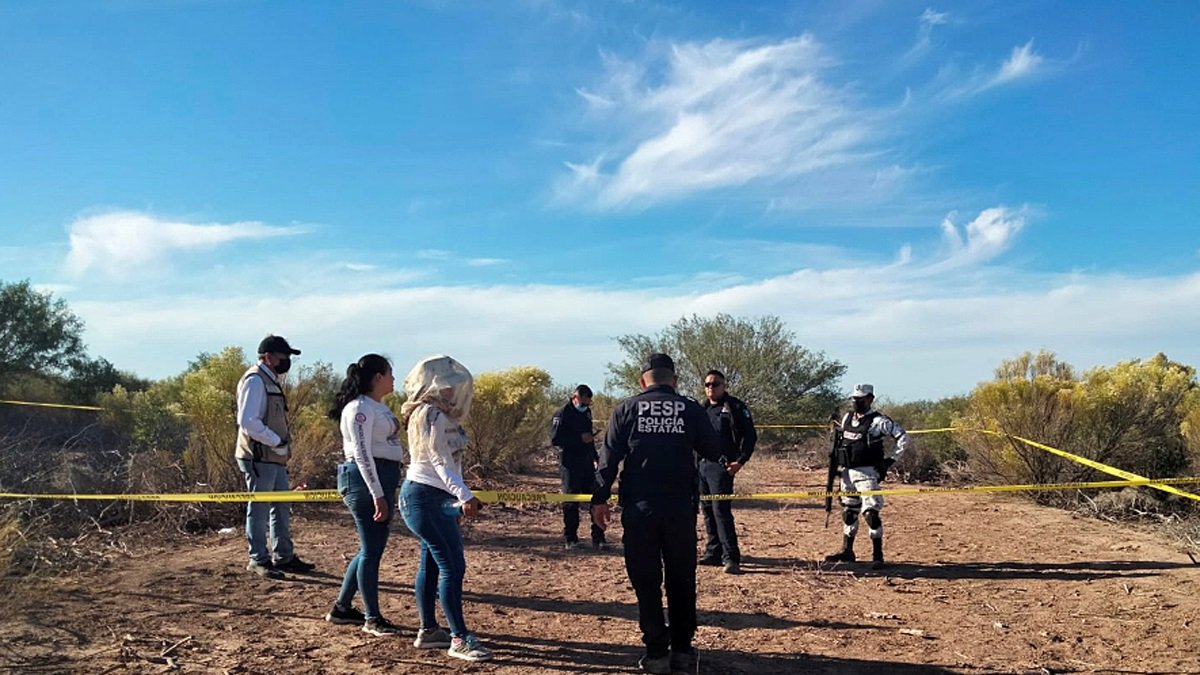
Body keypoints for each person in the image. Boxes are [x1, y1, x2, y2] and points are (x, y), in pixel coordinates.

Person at [592, 353, 723, 675]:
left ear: (642, 381)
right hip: (679, 508)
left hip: (640, 509)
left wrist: (599, 499)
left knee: (645, 579)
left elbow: (608, 460)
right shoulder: (690, 409)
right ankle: (682, 650)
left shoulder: (626, 409)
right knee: (681, 577)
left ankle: (655, 653)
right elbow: (712, 450)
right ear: (674, 380)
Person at [398, 355, 493, 662]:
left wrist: (458, 495)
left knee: (432, 564)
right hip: (425, 497)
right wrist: (464, 496)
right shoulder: (430, 414)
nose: (453, 391)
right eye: (448, 385)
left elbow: (447, 462)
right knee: (452, 565)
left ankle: (429, 630)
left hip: (432, 497)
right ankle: (459, 638)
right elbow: (439, 460)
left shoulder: (432, 414)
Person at [324, 354, 406, 635]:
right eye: (390, 373)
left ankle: (342, 608)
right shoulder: (359, 408)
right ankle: (372, 618)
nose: (394, 379)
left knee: (371, 548)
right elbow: (361, 453)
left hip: (381, 478)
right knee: (371, 551)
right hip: (364, 481)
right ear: (378, 377)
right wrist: (377, 494)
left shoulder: (377, 406)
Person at [234, 334, 315, 580]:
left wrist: (278, 445)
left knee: (281, 506)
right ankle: (258, 559)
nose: (287, 361)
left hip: (274, 456)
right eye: (284, 357)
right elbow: (248, 421)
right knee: (259, 509)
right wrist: (275, 440)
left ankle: (284, 556)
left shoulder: (269, 380)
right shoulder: (255, 380)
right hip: (259, 456)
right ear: (269, 357)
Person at [824, 383, 911, 569]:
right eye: (854, 399)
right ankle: (847, 550)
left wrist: (890, 460)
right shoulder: (847, 418)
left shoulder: (878, 421)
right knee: (849, 512)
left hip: (868, 473)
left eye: (860, 399)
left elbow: (903, 438)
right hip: (847, 473)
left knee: (871, 513)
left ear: (870, 399)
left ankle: (877, 555)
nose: (856, 402)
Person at [698, 370, 757, 575]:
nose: (710, 388)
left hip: (722, 467)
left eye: (715, 384)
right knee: (707, 510)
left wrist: (740, 462)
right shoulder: (702, 409)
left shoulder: (735, 407)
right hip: (702, 466)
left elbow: (750, 437)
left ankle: (731, 557)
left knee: (720, 511)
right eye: (707, 384)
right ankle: (713, 552)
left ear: (724, 386)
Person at [551, 384, 606, 550]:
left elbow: (589, 437)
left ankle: (598, 538)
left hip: (587, 462)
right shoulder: (562, 414)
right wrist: (579, 439)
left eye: (588, 404)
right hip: (570, 463)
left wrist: (595, 458)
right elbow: (555, 439)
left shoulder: (586, 413)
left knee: (596, 498)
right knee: (571, 500)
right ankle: (571, 539)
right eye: (583, 403)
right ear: (574, 398)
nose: (585, 407)